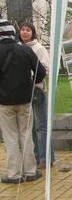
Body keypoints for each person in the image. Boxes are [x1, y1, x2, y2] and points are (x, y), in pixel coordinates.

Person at [0, 18, 46, 183]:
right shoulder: (25, 51)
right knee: (26, 135)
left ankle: (14, 174)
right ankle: (30, 171)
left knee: (10, 137)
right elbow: (40, 72)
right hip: (25, 100)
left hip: (4, 102)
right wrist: (30, 84)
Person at [19, 22, 54, 169]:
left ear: (33, 32)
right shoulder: (19, 48)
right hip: (23, 92)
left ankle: (46, 157)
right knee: (31, 126)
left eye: (28, 30)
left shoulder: (39, 48)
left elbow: (45, 68)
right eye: (22, 30)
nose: (25, 32)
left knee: (42, 126)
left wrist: (31, 78)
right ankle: (36, 156)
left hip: (37, 90)